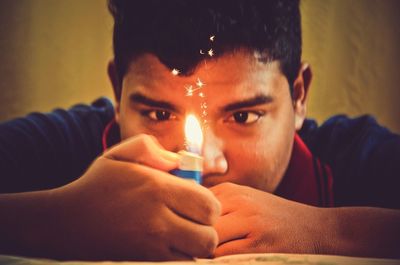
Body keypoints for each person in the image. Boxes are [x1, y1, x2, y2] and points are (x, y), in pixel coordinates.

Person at [0, 0, 399, 261]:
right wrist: (61, 219)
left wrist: (326, 231)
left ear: (298, 97)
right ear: (116, 92)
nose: (205, 163)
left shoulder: (353, 157)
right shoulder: (67, 145)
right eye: (159, 114)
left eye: (243, 117)